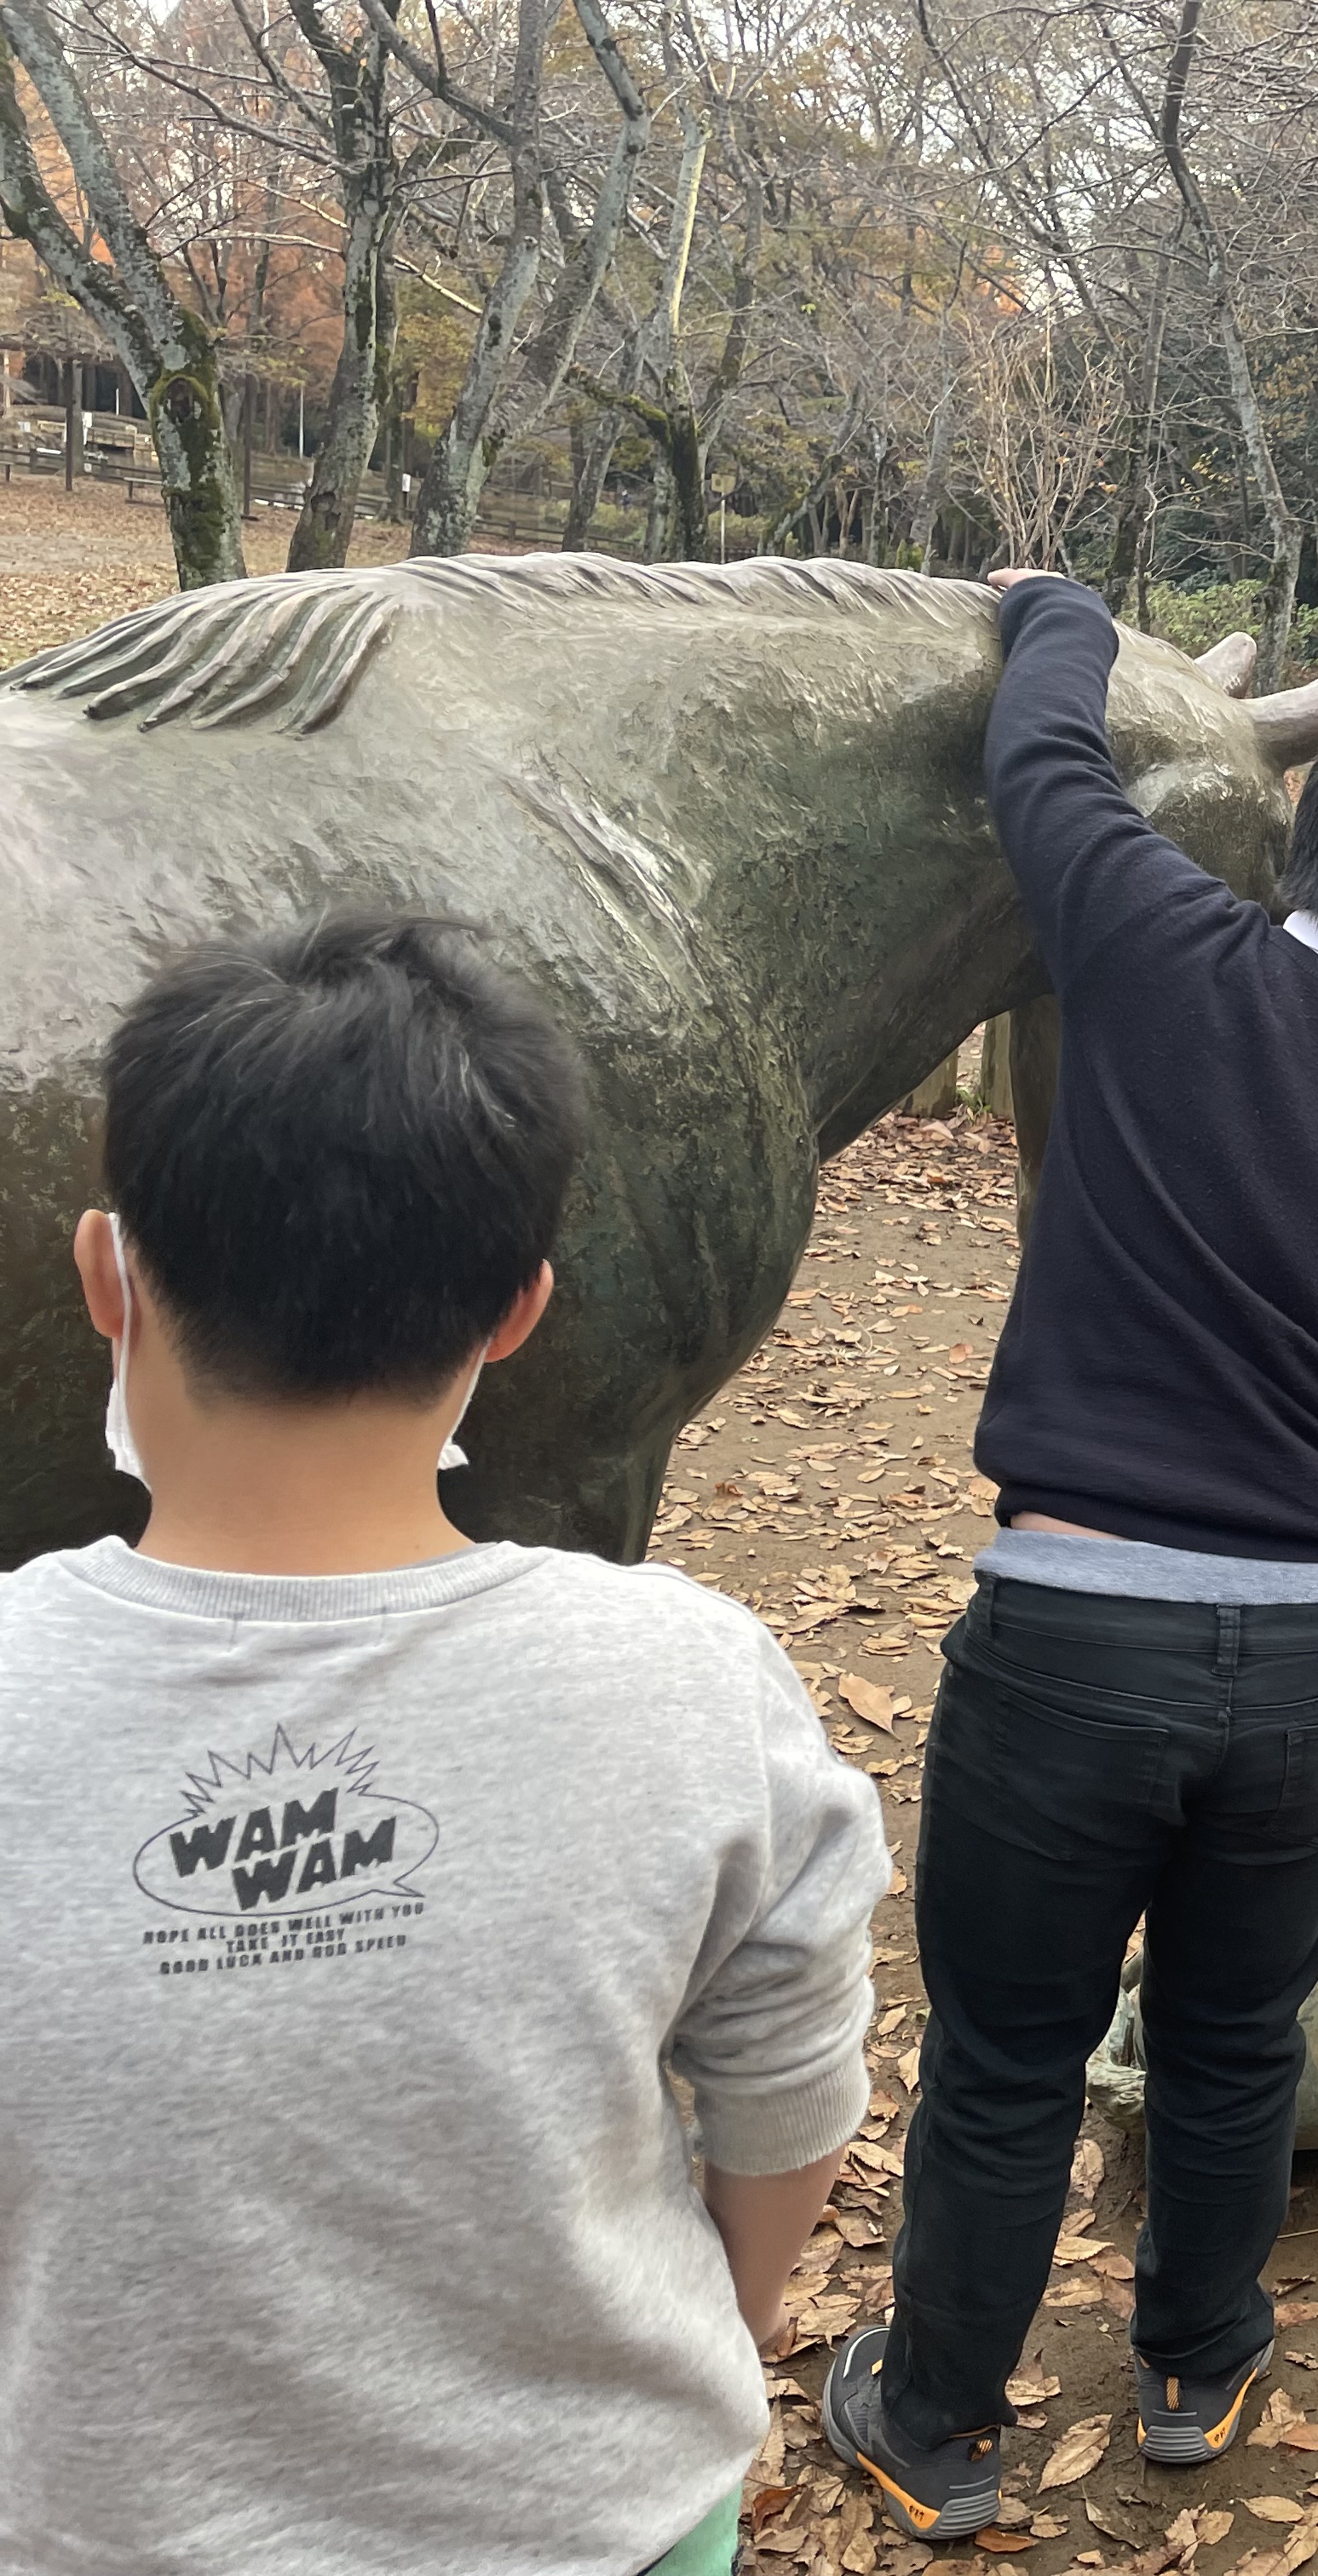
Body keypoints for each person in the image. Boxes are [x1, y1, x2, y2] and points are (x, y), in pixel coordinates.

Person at [827, 573, 1318, 2539]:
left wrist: (1067, 613)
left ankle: (936, 2415)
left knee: (1009, 2051)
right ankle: (1198, 2355)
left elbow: (1041, 751)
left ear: (1306, 847)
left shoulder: (1158, 940)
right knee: (1231, 2029)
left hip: (1071, 1625)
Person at [2, 914, 883, 2576]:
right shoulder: (691, 1678)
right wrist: (692, 2344)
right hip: (605, 2527)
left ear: (106, 1273)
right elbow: (784, 2097)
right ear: (518, 1311)